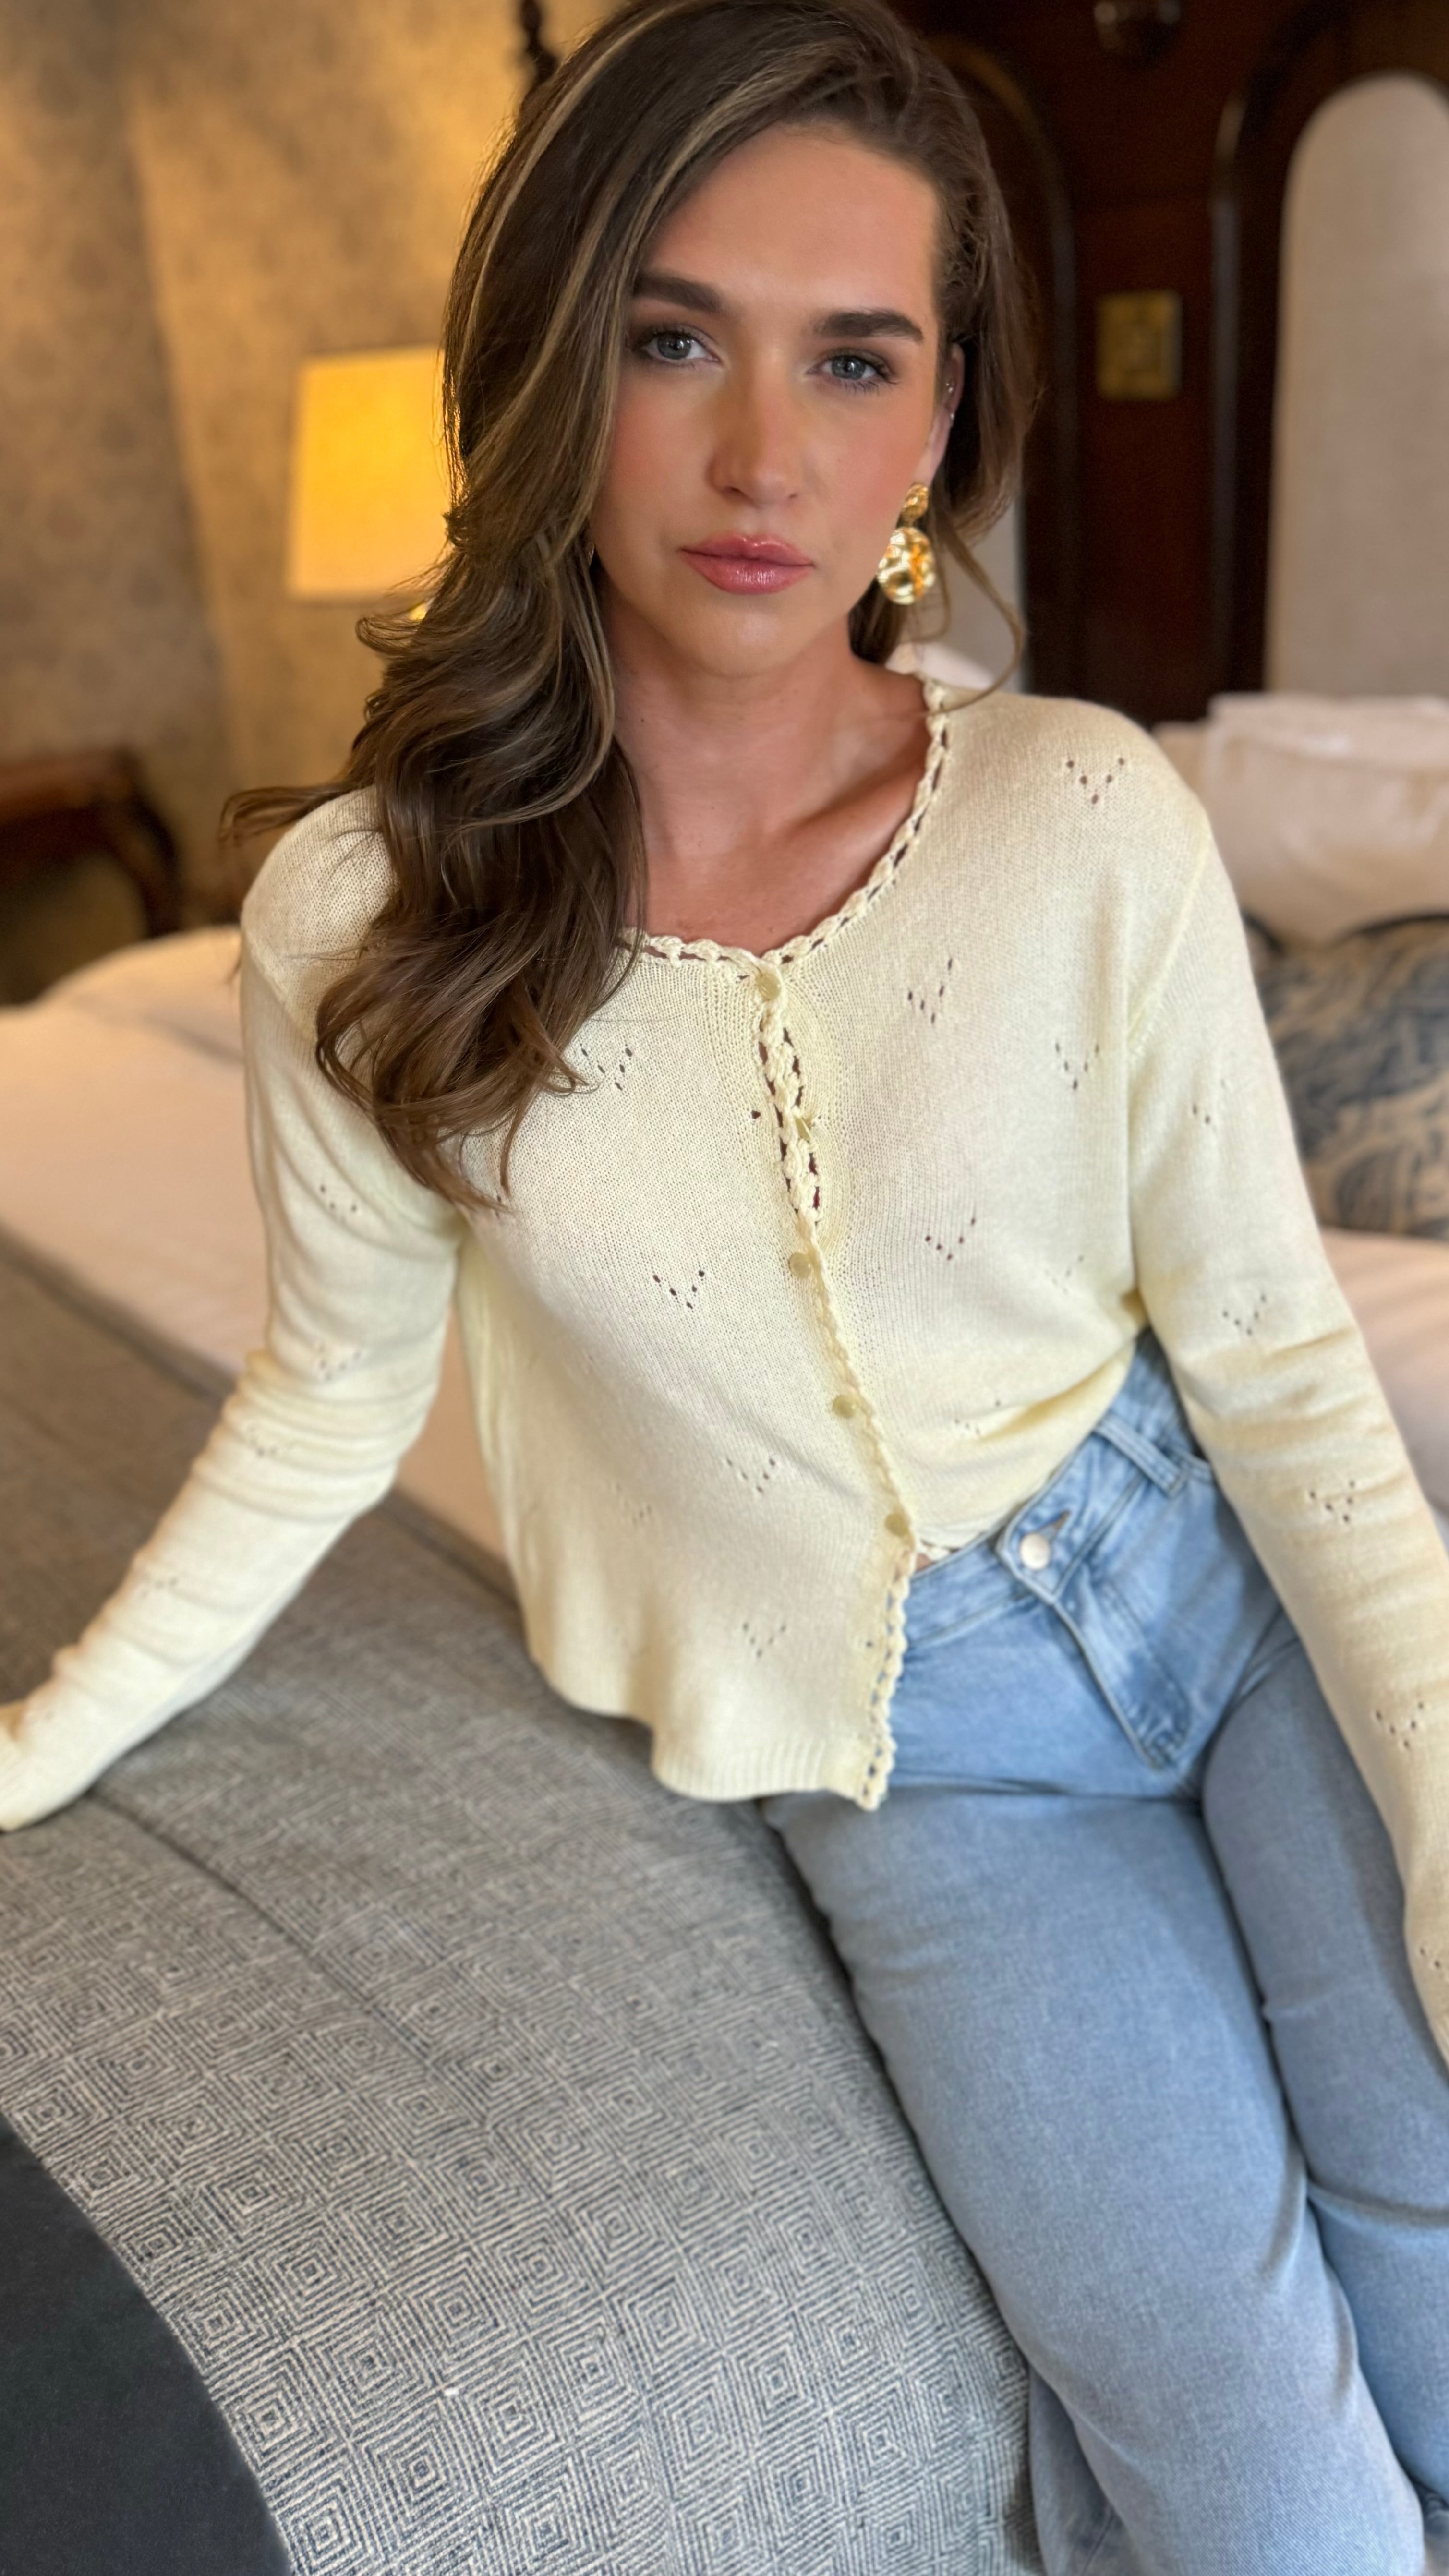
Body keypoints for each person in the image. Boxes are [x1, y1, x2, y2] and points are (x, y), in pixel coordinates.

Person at [4, 0, 1448, 2563]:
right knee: (1245, 2444)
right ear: (552, 366)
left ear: (938, 422)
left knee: (1438, 2228)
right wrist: (45, 1737)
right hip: (922, 1765)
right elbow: (327, 1392)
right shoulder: (363, 914)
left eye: (853, 358)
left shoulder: (1087, 812)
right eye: (677, 339)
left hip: (1226, 1601)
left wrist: (1440, 1802)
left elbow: (1278, 1361)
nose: (765, 454)